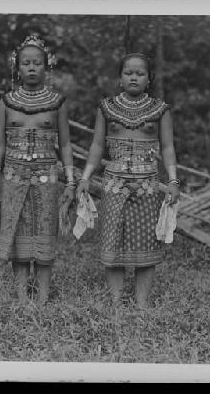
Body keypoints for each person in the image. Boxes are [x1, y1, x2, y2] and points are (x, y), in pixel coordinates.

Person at [76, 53, 180, 308]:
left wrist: (174, 181)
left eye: (140, 73)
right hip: (113, 184)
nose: (134, 77)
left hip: (147, 186)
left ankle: (142, 304)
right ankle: (116, 301)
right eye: (128, 72)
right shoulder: (106, 108)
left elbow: (167, 148)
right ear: (121, 78)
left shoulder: (160, 110)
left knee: (147, 243)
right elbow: (98, 145)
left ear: (148, 79)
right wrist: (85, 177)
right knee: (114, 241)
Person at [0, 34, 75, 305]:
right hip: (13, 177)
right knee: (17, 235)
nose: (32, 68)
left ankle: (44, 296)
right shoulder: (7, 102)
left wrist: (70, 181)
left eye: (37, 63)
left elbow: (66, 144)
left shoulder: (57, 103)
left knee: (46, 231)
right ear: (18, 67)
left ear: (46, 67)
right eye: (26, 63)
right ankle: (24, 298)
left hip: (47, 177)